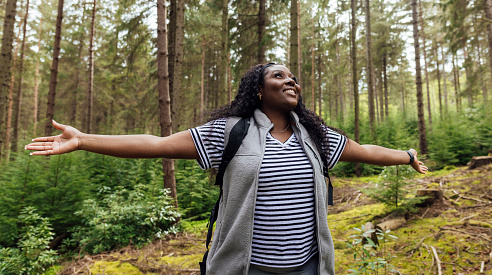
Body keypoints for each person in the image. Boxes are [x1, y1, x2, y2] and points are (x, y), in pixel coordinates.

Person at [26, 63, 427, 275]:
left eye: (293, 77)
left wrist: (407, 156)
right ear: (259, 89)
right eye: (279, 76)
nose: (291, 81)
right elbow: (156, 144)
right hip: (245, 268)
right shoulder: (229, 133)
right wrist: (85, 140)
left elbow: (365, 151)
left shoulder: (314, 135)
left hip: (309, 266)